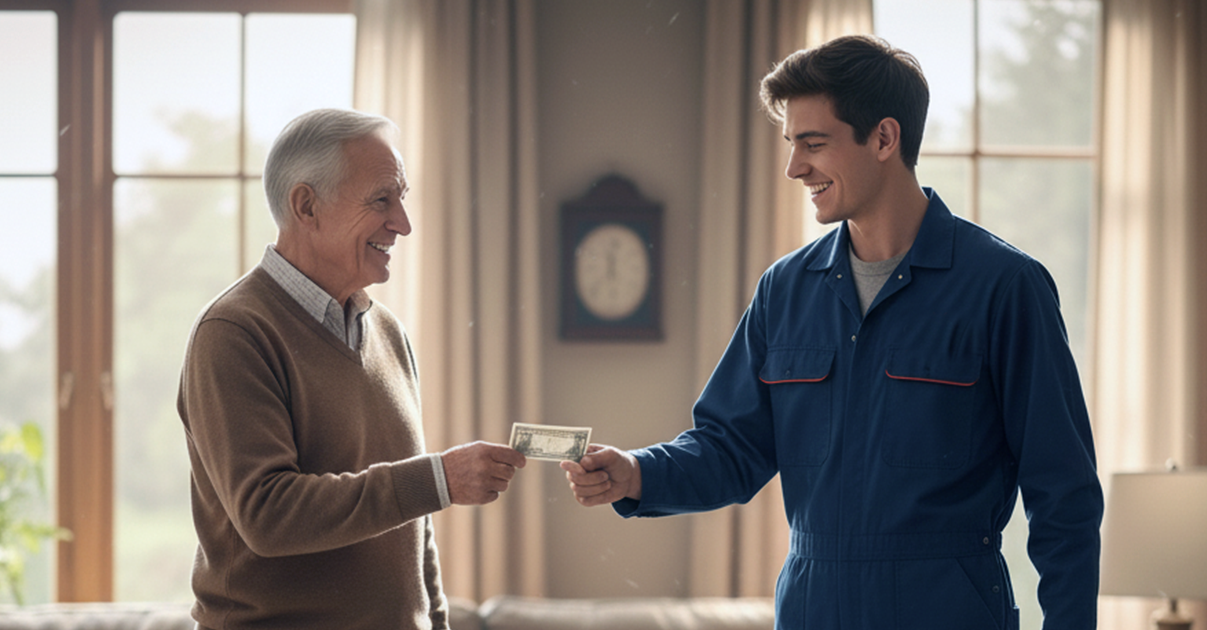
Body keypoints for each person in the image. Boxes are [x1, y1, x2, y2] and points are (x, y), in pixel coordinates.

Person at [561, 35, 1103, 630]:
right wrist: (638, 473)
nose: (795, 167)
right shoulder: (786, 290)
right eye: (792, 145)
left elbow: (1064, 495)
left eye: (813, 144)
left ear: (884, 138)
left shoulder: (1004, 286)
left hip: (948, 610)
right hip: (813, 609)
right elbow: (731, 447)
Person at [177, 108, 526, 629]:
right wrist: (438, 478)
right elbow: (269, 515)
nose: (403, 223)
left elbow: (414, 527)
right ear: (306, 206)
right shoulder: (233, 333)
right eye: (381, 199)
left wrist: (436, 621)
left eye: (402, 198)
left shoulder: (389, 333)